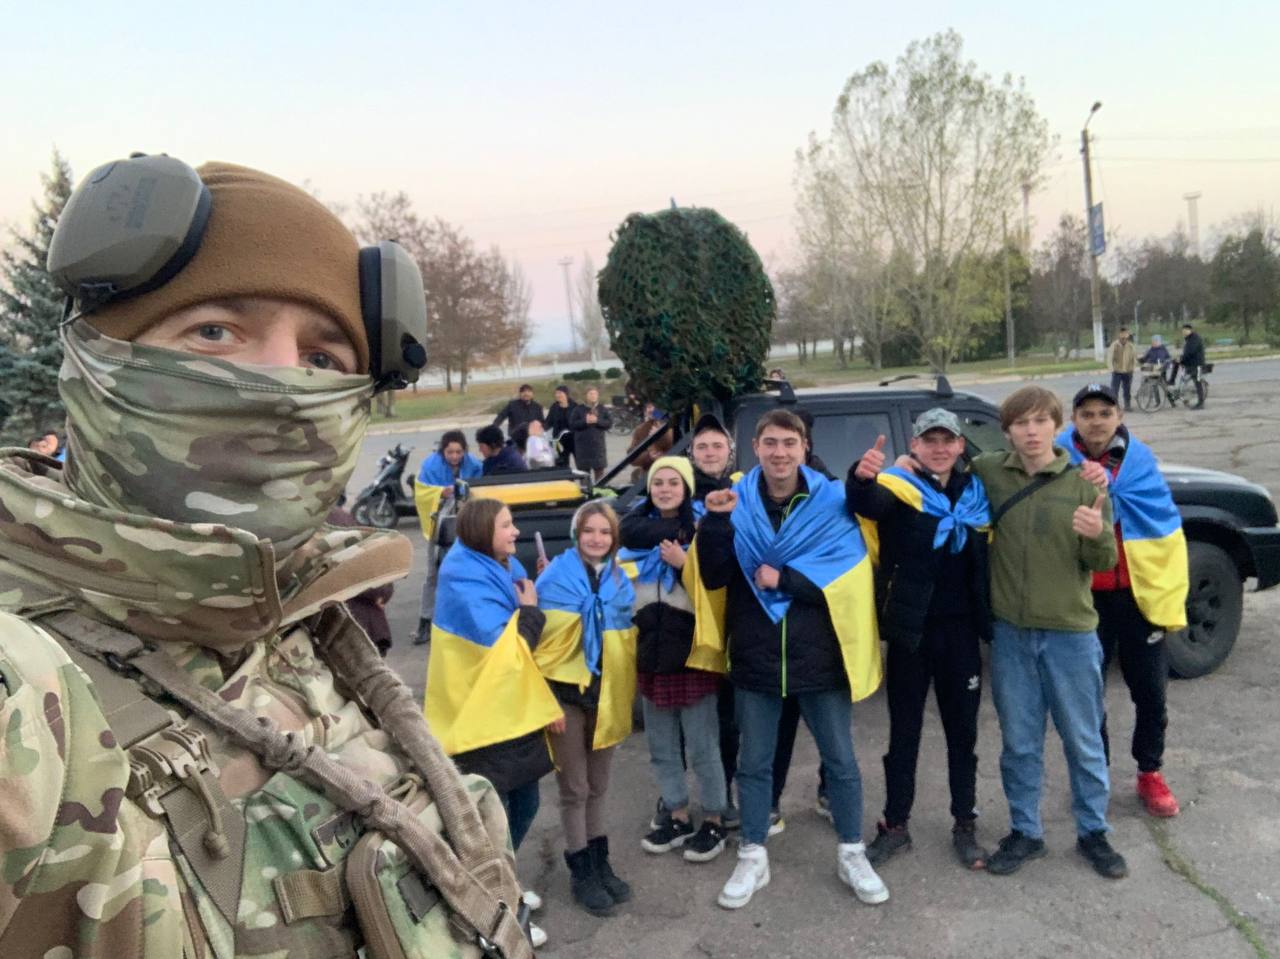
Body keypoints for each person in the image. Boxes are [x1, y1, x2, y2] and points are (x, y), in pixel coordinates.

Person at [0, 156, 535, 957]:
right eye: (215, 331)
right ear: (98, 358)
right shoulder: (25, 688)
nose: (282, 386)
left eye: (322, 359)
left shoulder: (300, 616)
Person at [698, 410, 887, 910]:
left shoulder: (833, 502)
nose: (779, 452)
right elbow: (714, 577)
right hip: (756, 656)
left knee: (841, 762)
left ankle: (852, 852)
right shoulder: (732, 502)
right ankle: (752, 853)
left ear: (805, 447)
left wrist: (785, 580)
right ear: (755, 448)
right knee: (754, 764)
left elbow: (849, 578)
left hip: (820, 656)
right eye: (770, 443)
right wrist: (715, 523)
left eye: (789, 442)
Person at [961, 385, 1128, 880]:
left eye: (1041, 421)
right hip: (1012, 635)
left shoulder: (1086, 482)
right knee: (1019, 742)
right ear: (1007, 430)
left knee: (1083, 740)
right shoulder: (990, 471)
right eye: (1021, 423)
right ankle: (1026, 832)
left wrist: (1096, 534)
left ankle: (1093, 832)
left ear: (1058, 426)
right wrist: (906, 463)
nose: (1031, 432)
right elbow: (942, 468)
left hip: (1070, 633)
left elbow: (1104, 561)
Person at [847, 408, 993, 871]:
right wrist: (861, 477)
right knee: (904, 732)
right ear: (914, 445)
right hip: (911, 633)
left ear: (960, 445)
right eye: (930, 440)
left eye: (947, 440)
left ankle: (965, 824)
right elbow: (867, 503)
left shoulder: (976, 493)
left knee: (962, 734)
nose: (939, 448)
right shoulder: (899, 489)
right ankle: (895, 825)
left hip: (962, 633)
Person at [426, 497, 564, 947]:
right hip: (479, 720)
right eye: (507, 525)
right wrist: (530, 610)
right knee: (493, 823)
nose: (516, 532)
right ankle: (499, 914)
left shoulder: (500, 566)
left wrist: (534, 588)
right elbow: (505, 652)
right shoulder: (463, 577)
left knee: (525, 805)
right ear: (484, 531)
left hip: (510, 713)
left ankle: (505, 884)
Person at [1059, 384, 1188, 818]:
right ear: (1074, 420)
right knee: (1086, 697)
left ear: (1119, 416)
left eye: (1104, 412)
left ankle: (1150, 771)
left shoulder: (1139, 461)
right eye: (1087, 414)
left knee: (1150, 692)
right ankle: (1094, 775)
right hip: (1083, 599)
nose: (1096, 421)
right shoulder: (1058, 460)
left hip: (1137, 594)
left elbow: (1163, 521)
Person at [621, 457, 730, 864]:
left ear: (686, 488)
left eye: (673, 482)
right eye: (658, 483)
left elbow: (717, 592)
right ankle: (678, 813)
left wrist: (685, 566)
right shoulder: (634, 541)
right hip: (651, 657)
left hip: (691, 657)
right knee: (662, 746)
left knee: (702, 746)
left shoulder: (703, 532)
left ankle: (715, 817)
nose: (665, 489)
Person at [533, 501, 637, 916]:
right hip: (565, 695)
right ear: (577, 534)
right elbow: (540, 646)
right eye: (589, 530)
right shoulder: (553, 578)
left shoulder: (620, 580)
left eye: (605, 532)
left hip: (605, 692)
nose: (597, 538)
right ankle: (580, 869)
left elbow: (624, 639)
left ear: (614, 538)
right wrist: (546, 704)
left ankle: (600, 861)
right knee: (574, 788)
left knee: (599, 785)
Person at [411, 429, 483, 645]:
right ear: (442, 451)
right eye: (450, 452)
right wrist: (440, 493)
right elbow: (421, 492)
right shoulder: (430, 466)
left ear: (465, 451)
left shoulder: (474, 465)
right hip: (440, 525)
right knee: (433, 574)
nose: (454, 456)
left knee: (469, 572)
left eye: (459, 452)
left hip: (467, 524)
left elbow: (481, 489)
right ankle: (425, 622)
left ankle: (467, 621)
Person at [570, 386, 613, 482]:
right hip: (583, 447)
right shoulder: (578, 409)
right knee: (584, 475)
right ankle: (586, 490)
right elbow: (572, 424)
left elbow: (609, 423)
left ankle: (599, 490)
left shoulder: (602, 409)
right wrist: (585, 421)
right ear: (586, 395)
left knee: (600, 474)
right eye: (591, 394)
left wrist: (597, 421)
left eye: (595, 394)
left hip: (598, 446)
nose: (593, 396)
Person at [626, 403, 673, 481]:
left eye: (654, 407)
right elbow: (632, 457)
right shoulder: (641, 429)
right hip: (647, 477)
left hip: (671, 474)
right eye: (648, 407)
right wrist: (649, 456)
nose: (650, 410)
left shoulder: (675, 425)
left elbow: (679, 449)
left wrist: (660, 435)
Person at [545, 384, 578, 467]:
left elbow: (579, 422)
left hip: (574, 440)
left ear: (566, 394)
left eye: (560, 393)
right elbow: (548, 422)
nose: (557, 395)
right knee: (562, 464)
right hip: (559, 441)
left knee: (580, 463)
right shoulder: (554, 407)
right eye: (556, 393)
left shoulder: (575, 406)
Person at [1108, 327, 1137, 410]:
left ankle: (1127, 405)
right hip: (1117, 371)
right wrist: (1111, 369)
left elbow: (1134, 358)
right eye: (1122, 338)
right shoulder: (1114, 345)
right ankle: (1115, 406)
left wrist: (1133, 368)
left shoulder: (1131, 346)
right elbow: (1109, 358)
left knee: (1127, 390)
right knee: (1114, 390)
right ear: (1119, 337)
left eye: (1125, 337)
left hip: (1128, 371)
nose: (1124, 339)